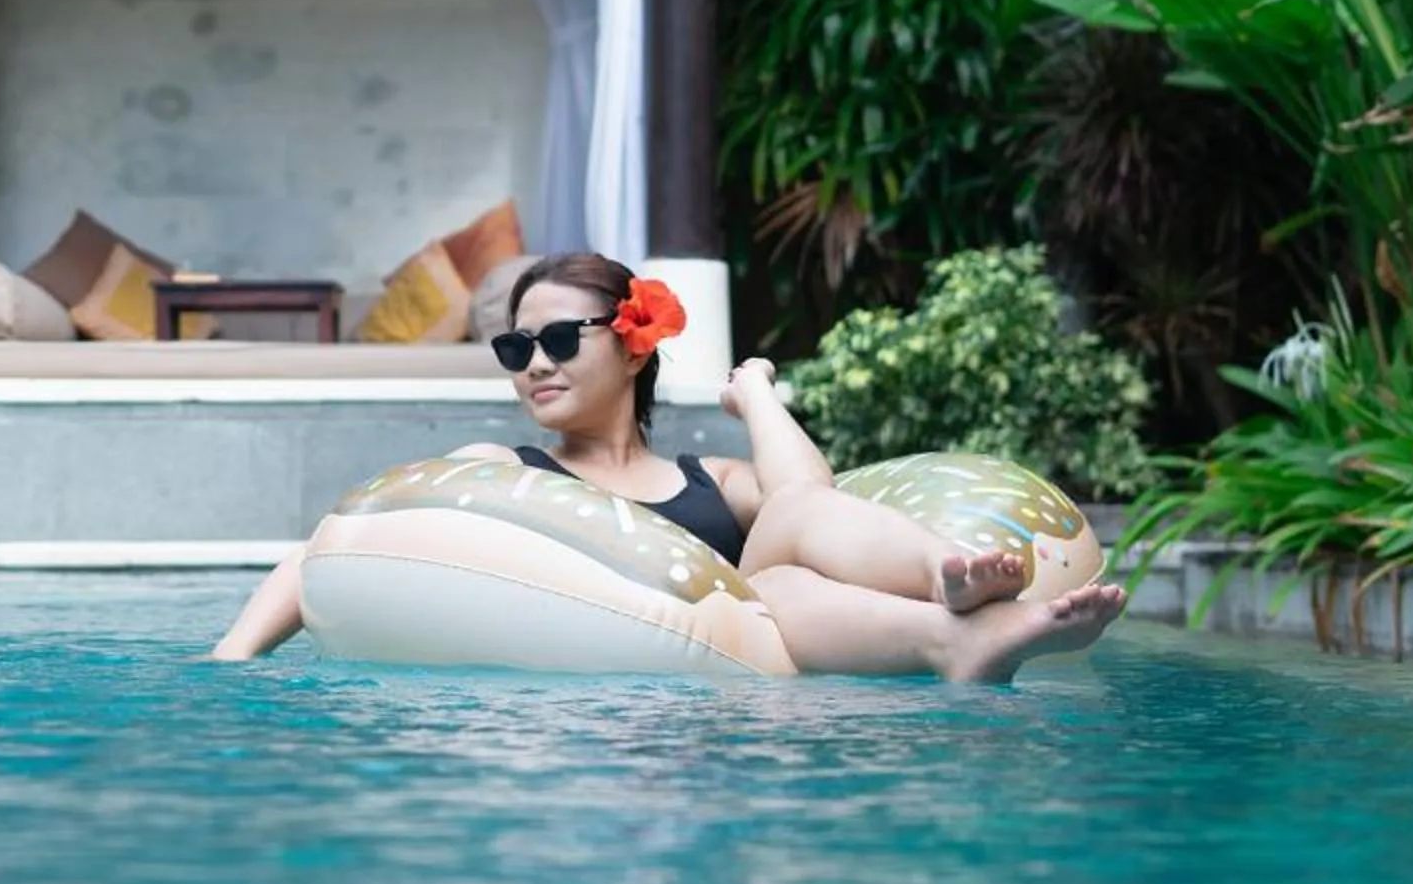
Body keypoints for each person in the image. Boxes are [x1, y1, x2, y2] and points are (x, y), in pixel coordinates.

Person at [208, 251, 1123, 681]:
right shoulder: (502, 471)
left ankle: (950, 591)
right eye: (516, 344)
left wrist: (756, 392)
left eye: (561, 337)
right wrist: (232, 662)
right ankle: (958, 630)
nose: (536, 362)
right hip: (688, 674)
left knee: (794, 526)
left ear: (634, 346)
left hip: (762, 680)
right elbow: (351, 541)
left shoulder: (712, 482)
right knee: (760, 601)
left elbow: (815, 498)